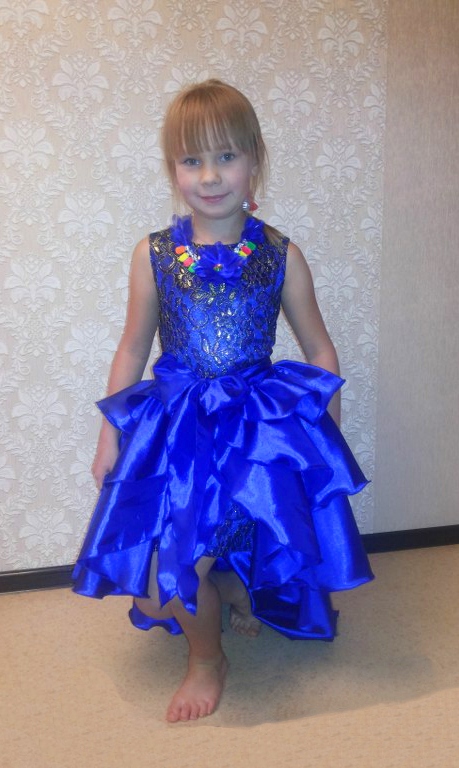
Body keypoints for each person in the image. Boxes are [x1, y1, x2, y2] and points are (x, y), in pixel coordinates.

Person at [73, 79, 374, 723]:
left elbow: (320, 348)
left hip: (256, 430)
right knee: (160, 583)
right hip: (178, 430)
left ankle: (207, 658)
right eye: (192, 160)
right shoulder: (153, 255)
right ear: (172, 168)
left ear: (255, 158)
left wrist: (324, 434)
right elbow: (132, 347)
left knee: (235, 536)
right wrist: (109, 436)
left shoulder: (281, 254)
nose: (209, 176)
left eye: (226, 156)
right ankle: (226, 596)